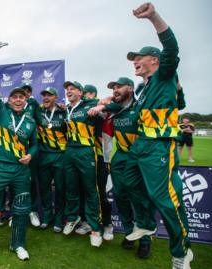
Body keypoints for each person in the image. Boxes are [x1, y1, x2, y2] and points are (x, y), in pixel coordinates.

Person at [115, 3, 193, 268]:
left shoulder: (163, 74)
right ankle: (146, 225)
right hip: (142, 146)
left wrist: (153, 17)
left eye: (139, 57)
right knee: (126, 182)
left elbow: (172, 48)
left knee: (167, 201)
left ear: (155, 61)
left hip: (160, 147)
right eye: (133, 59)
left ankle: (182, 252)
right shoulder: (145, 89)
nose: (135, 62)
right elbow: (178, 104)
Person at [0, 50, 38, 261]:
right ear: (9, 100)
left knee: (21, 207)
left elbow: (36, 144)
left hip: (21, 170)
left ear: (25, 100)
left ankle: (18, 244)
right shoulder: (1, 113)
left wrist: (30, 155)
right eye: (14, 97)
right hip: (0, 167)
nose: (18, 100)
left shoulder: (30, 121)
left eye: (22, 97)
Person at [91, 77, 155, 258]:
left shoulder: (140, 106)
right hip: (120, 157)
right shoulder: (115, 108)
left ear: (131, 88)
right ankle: (129, 233)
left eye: (119, 87)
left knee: (140, 199)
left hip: (140, 158)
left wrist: (104, 104)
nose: (115, 90)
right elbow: (105, 106)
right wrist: (102, 104)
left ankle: (145, 240)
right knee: (120, 196)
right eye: (113, 88)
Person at [61, 81, 103, 247]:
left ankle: (95, 228)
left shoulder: (89, 104)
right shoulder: (67, 109)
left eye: (72, 89)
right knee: (71, 187)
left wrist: (100, 107)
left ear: (81, 92)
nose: (68, 91)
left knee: (90, 189)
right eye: (67, 90)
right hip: (70, 151)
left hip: (86, 151)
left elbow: (109, 103)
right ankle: (72, 218)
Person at [75, 84, 113, 241]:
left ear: (93, 94)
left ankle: (107, 224)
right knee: (84, 192)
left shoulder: (101, 109)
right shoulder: (83, 111)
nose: (84, 99)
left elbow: (109, 102)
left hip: (102, 158)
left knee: (100, 194)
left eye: (86, 95)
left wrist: (100, 105)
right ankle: (87, 222)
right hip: (87, 157)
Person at [34, 87, 67, 232]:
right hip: (43, 155)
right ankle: (47, 217)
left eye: (49, 95)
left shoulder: (63, 111)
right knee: (44, 188)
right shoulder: (38, 111)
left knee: (60, 189)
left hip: (60, 155)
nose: (46, 98)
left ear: (56, 98)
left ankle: (59, 219)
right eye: (44, 95)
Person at [21, 84, 41, 227]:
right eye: (24, 91)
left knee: (32, 181)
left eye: (28, 91)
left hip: (30, 149)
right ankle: (18, 212)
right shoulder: (10, 105)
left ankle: (33, 211)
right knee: (16, 182)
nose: (26, 93)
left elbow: (41, 116)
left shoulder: (33, 104)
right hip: (14, 149)